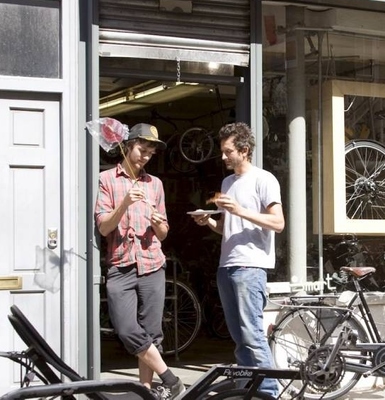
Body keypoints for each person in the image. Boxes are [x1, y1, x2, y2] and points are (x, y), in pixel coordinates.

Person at [191, 122, 285, 398]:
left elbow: (278, 223)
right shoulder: (227, 183)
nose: (223, 157)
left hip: (250, 266)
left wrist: (241, 211)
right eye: (222, 151)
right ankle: (249, 390)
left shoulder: (264, 179)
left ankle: (268, 393)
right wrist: (208, 220)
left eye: (227, 151)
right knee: (239, 337)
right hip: (227, 265)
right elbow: (228, 228)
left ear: (244, 150)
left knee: (253, 335)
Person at [94, 123, 185, 400]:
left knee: (151, 332)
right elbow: (103, 228)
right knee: (126, 329)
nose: (145, 157)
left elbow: (164, 232)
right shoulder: (106, 179)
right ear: (128, 145)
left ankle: (146, 391)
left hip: (152, 264)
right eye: (141, 150)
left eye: (150, 153)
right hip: (120, 265)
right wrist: (124, 204)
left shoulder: (155, 184)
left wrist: (159, 225)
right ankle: (170, 378)